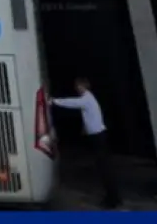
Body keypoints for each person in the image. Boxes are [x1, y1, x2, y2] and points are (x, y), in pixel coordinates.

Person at [51, 77, 122, 209]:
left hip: (98, 137)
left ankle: (113, 199)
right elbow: (88, 116)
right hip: (97, 136)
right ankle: (113, 197)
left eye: (78, 86)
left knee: (105, 168)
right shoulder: (89, 99)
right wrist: (85, 128)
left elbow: (72, 103)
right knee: (103, 167)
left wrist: (54, 101)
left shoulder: (86, 99)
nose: (76, 88)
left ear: (83, 86)